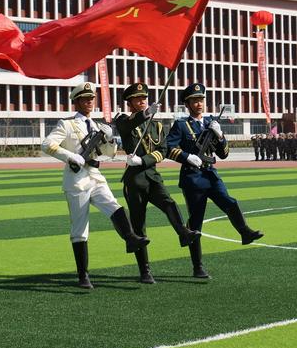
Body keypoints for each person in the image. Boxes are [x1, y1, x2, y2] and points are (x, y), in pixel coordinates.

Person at [42, 82, 149, 289]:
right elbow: (47, 145)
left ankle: (130, 239)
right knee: (80, 228)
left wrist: (110, 139)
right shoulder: (66, 124)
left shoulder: (98, 126)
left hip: (95, 174)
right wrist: (71, 156)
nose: (89, 102)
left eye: (91, 99)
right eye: (85, 99)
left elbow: (108, 154)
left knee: (114, 205)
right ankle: (83, 276)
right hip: (76, 180)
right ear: (76, 102)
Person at [166, 83, 264, 279]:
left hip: (211, 174)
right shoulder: (181, 125)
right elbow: (169, 148)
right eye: (195, 100)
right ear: (187, 103)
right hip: (193, 177)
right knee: (195, 223)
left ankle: (244, 232)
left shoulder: (211, 122)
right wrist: (186, 157)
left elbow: (224, 153)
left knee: (230, 202)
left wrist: (219, 135)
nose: (199, 103)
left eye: (201, 99)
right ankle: (198, 266)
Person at [115, 83, 201, 284]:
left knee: (169, 203)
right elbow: (127, 127)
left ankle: (183, 233)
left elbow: (162, 150)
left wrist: (144, 160)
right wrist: (144, 115)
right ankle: (144, 270)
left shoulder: (158, 125)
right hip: (134, 180)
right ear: (130, 103)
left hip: (152, 175)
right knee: (139, 226)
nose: (142, 101)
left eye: (144, 97)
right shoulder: (123, 120)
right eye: (137, 99)